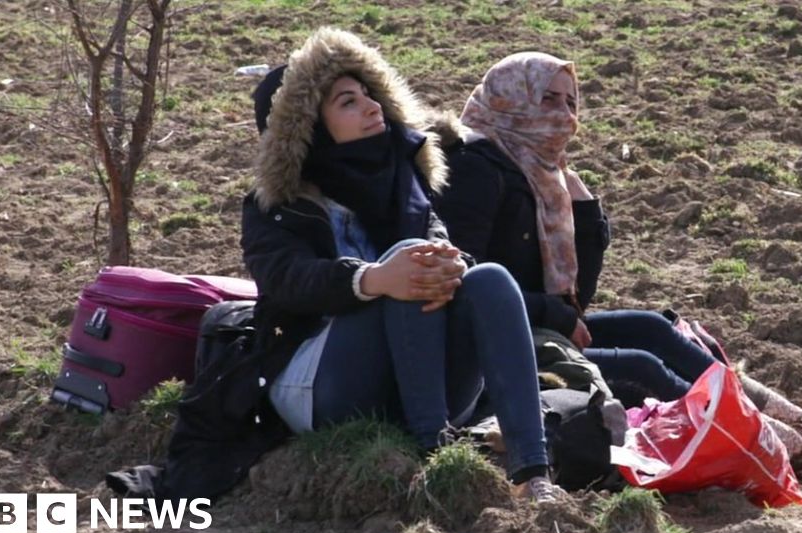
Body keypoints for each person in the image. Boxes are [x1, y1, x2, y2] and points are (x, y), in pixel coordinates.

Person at [434, 51, 802, 485]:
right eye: (548, 98)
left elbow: (577, 299)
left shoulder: (540, 173)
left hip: (540, 326)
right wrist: (557, 315)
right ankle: (798, 450)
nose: (565, 115)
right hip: (490, 348)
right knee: (640, 364)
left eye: (572, 101)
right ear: (510, 97)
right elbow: (468, 283)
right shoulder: (474, 170)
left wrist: (586, 212)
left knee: (651, 326)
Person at [241, 28, 563, 502]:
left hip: (421, 370)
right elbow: (288, 281)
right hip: (324, 381)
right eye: (348, 102)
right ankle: (434, 456)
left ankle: (533, 470)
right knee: (406, 266)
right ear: (306, 125)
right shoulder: (277, 204)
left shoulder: (402, 179)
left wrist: (452, 266)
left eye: (370, 95)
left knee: (487, 277)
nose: (372, 107)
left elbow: (443, 253)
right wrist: (371, 279)